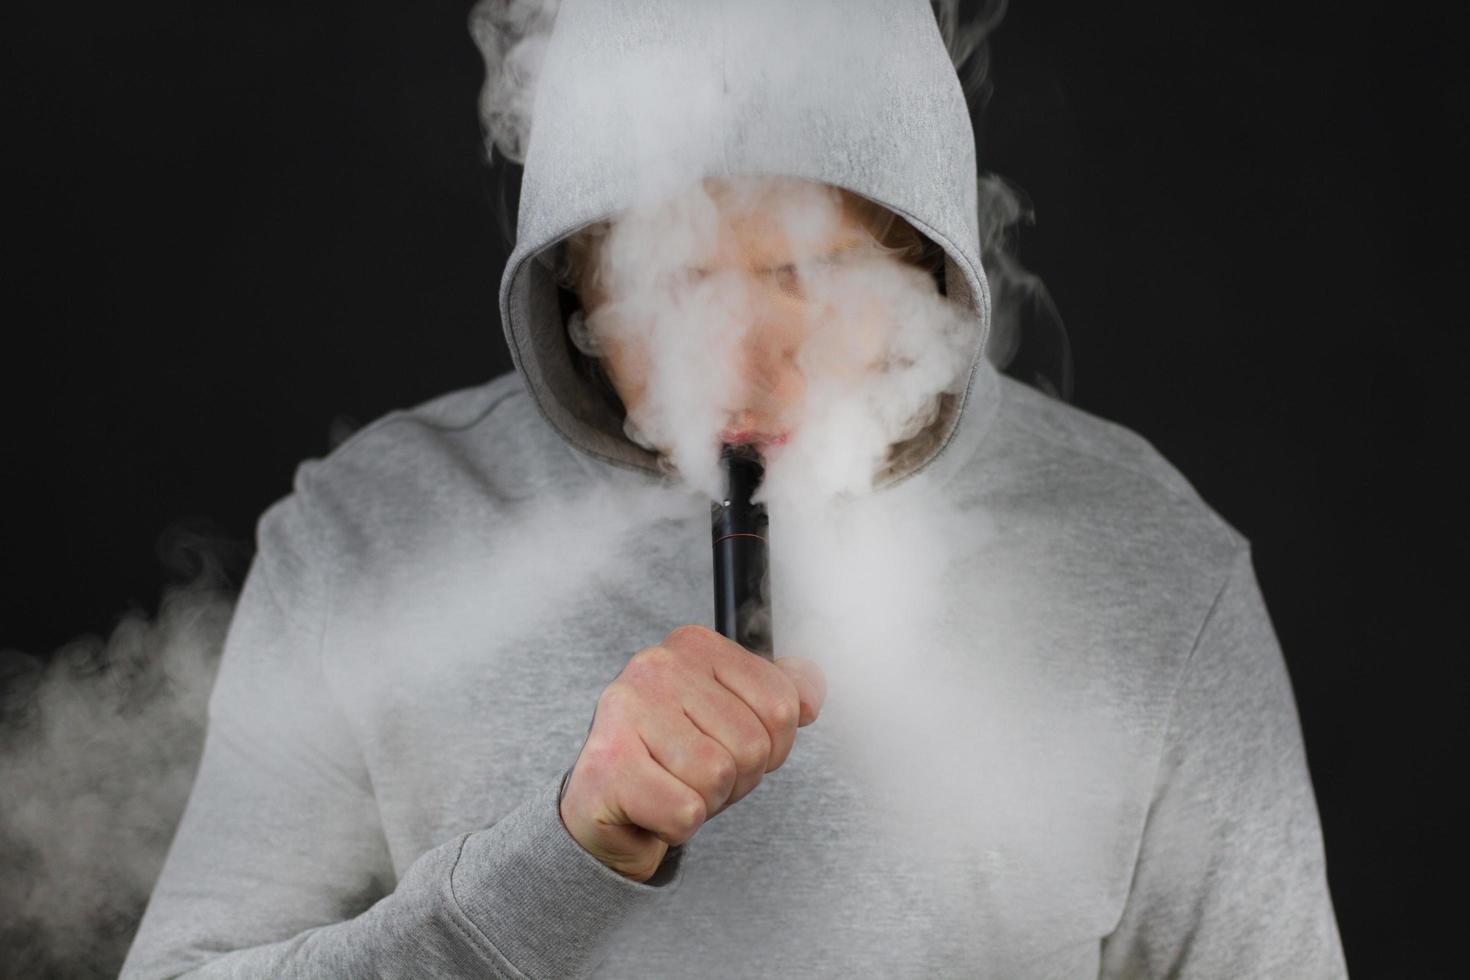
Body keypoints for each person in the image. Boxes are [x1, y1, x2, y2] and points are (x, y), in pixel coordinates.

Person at [122, 1, 1347, 976]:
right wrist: (558, 858)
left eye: (809, 266)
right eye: (667, 277)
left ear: (923, 254)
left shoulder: (1145, 555)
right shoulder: (371, 531)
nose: (742, 360)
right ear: (576, 292)